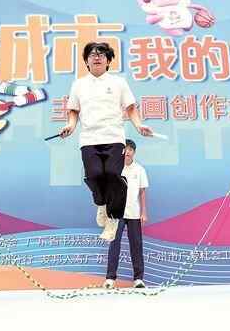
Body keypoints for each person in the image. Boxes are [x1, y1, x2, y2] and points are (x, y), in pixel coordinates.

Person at [60, 42, 152, 241]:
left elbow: (130, 107)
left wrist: (138, 125)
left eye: (101, 54)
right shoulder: (79, 84)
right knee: (94, 175)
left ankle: (112, 219)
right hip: (89, 139)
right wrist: (71, 125)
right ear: (86, 61)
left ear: (108, 61)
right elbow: (74, 109)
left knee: (112, 175)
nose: (97, 57)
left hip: (114, 138)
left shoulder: (118, 83)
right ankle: (101, 204)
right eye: (92, 54)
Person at [103, 139, 149, 289]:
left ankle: (138, 279)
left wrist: (144, 212)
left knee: (136, 245)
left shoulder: (139, 170)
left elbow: (142, 192)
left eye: (130, 149)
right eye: (125, 149)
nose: (127, 152)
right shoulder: (114, 168)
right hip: (117, 213)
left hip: (134, 213)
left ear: (134, 152)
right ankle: (110, 278)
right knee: (114, 244)